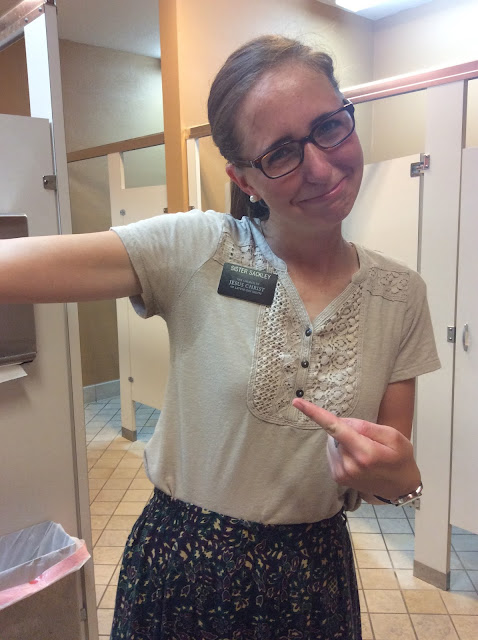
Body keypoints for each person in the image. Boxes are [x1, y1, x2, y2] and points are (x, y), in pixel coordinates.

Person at [1, 35, 440, 639]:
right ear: (243, 178)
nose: (320, 166)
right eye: (281, 152)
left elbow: (391, 478)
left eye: (329, 127)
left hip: (313, 576)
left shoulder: (401, 294)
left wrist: (400, 477)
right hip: (185, 568)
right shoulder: (199, 249)